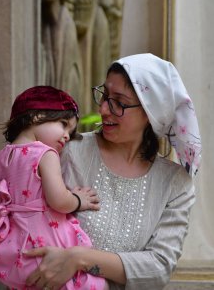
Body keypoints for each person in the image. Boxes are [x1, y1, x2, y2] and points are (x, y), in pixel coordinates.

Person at [23, 54, 202, 290]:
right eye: (105, 96)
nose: (104, 109)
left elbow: (159, 267)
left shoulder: (175, 185)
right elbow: (17, 203)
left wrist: (78, 259)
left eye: (119, 102)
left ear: (151, 113)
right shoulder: (67, 151)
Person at [0, 86, 107, 290]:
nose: (66, 136)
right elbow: (59, 201)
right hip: (43, 244)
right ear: (36, 116)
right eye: (63, 125)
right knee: (92, 283)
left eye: (70, 132)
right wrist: (79, 199)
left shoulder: (1, 156)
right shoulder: (44, 154)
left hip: (14, 253)